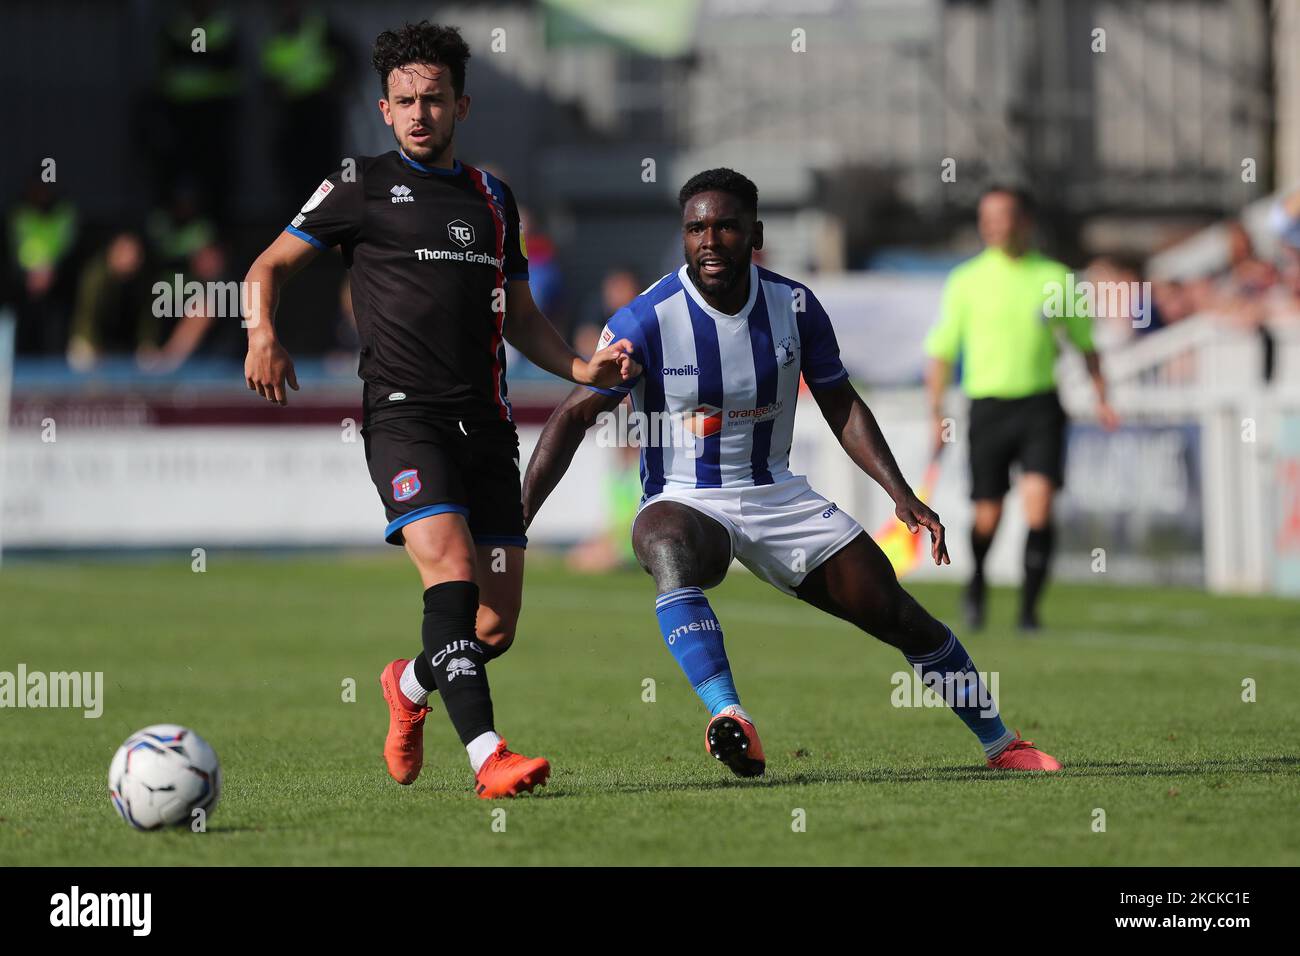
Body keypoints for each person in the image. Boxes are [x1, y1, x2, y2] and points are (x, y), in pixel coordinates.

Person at [523, 168, 1060, 777]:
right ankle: (730, 715)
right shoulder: (648, 320)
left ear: (754, 232)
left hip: (779, 496)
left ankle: (1000, 742)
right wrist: (516, 525)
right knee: (666, 543)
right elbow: (570, 418)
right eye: (696, 228)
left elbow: (841, 402)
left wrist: (900, 491)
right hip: (684, 498)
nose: (710, 240)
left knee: (896, 613)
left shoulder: (795, 306)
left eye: (725, 226)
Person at [241, 22, 638, 799]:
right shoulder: (359, 183)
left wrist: (581, 367)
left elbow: (520, 317)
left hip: (486, 427)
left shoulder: (494, 198)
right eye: (403, 101)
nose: (419, 112)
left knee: (493, 629)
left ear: (461, 103)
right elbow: (269, 266)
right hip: (403, 419)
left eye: (433, 99)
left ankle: (408, 686)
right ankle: (489, 756)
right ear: (384, 111)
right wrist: (262, 334)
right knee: (450, 574)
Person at [924, 186, 1118, 633]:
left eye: (1003, 215)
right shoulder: (965, 280)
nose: (994, 225)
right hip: (988, 407)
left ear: (1024, 221)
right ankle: (976, 584)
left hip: (1040, 406)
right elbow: (941, 353)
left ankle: (1029, 612)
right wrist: (937, 412)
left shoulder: (1057, 278)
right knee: (988, 513)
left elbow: (1085, 344)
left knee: (1039, 507)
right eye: (986, 217)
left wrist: (1103, 396)